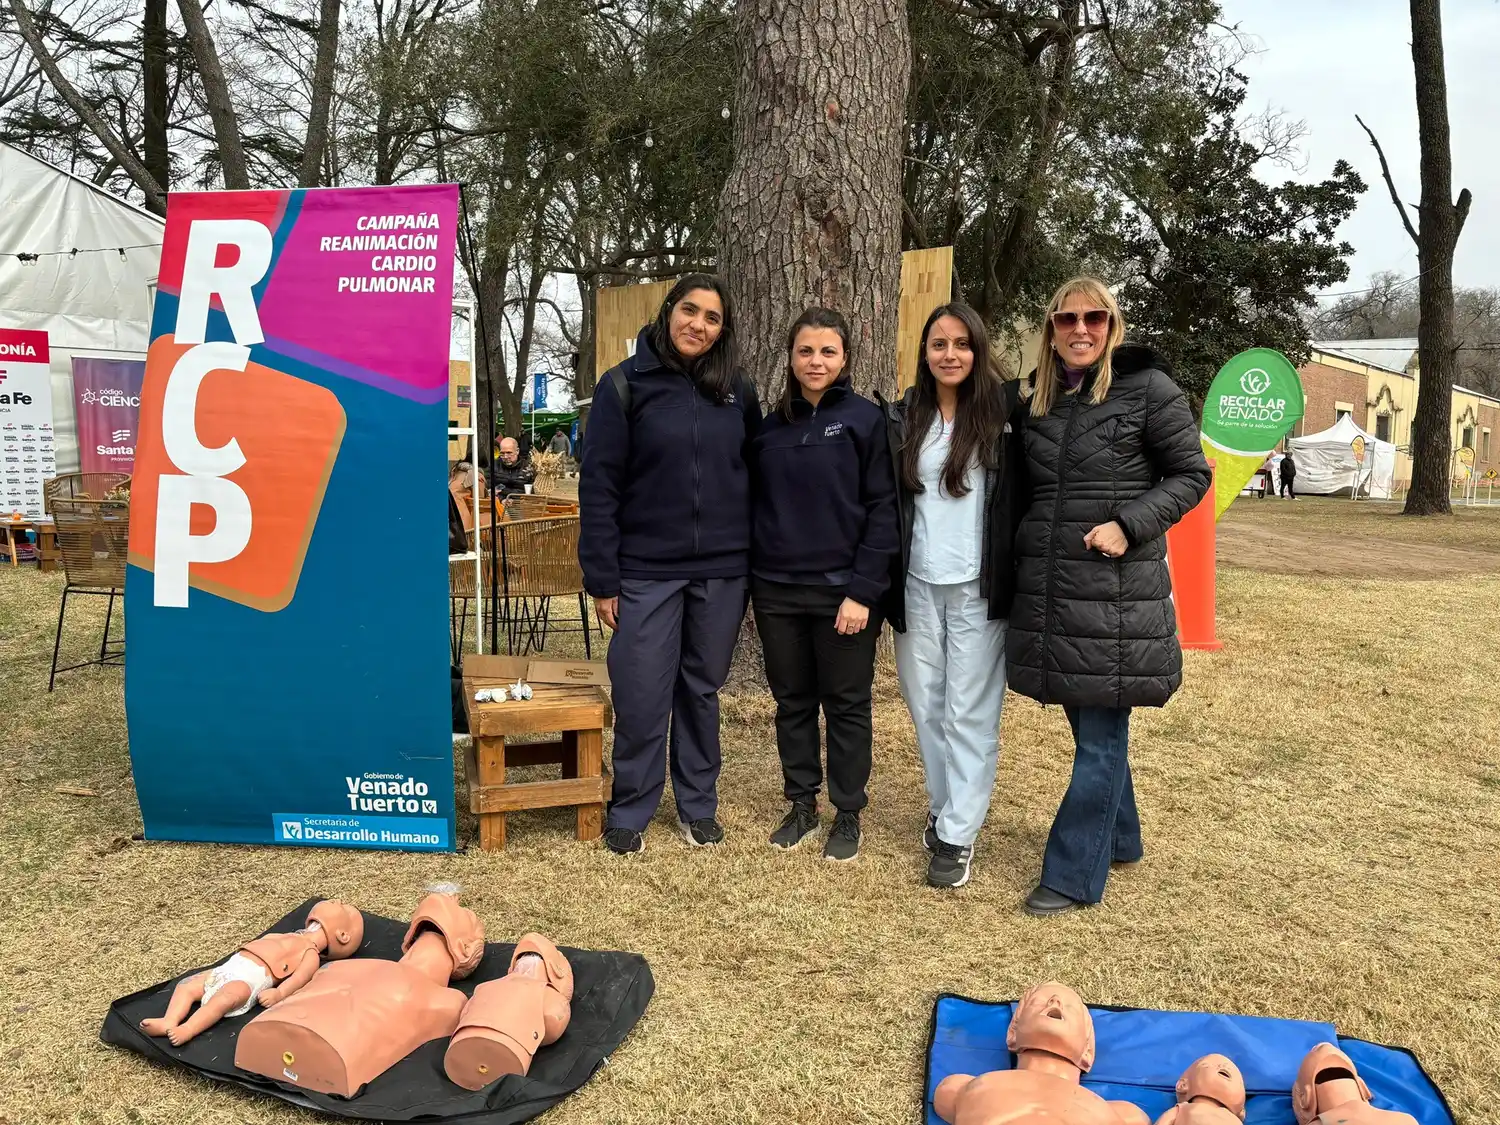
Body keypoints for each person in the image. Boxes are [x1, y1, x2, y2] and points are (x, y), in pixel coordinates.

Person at [1008, 276, 1211, 916]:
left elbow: (1192, 474)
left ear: (1112, 326)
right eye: (1066, 319)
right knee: (1092, 727)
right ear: (1051, 330)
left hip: (1116, 596)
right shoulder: (1036, 402)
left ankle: (1072, 874)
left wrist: (1129, 524)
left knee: (1100, 735)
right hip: (1055, 591)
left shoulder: (1147, 390)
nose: (1080, 329)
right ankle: (1121, 837)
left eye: (1094, 318)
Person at [579, 273, 762, 855]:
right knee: (640, 692)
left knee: (700, 691)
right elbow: (599, 487)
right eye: (690, 310)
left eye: (712, 318)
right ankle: (631, 806)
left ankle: (697, 805)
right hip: (645, 571)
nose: (698, 325)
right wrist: (603, 578)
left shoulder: (737, 390)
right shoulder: (623, 385)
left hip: (722, 571)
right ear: (668, 312)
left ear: (722, 330)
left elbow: (756, 477)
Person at [878, 302, 1025, 889]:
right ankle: (942, 808)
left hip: (978, 587)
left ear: (978, 349)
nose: (950, 354)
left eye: (961, 344)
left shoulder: (1004, 416)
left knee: (970, 711)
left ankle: (959, 832)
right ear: (924, 352)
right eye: (938, 344)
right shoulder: (904, 416)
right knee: (926, 705)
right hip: (915, 583)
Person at [749, 307, 898, 862]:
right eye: (806, 351)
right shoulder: (769, 429)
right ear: (790, 358)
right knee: (792, 701)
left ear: (845, 358)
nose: (816, 361)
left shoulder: (866, 421)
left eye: (827, 351)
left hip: (845, 595)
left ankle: (848, 811)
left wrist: (863, 591)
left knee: (846, 703)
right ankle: (801, 804)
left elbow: (884, 511)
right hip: (777, 591)